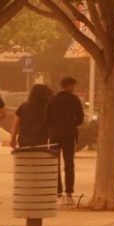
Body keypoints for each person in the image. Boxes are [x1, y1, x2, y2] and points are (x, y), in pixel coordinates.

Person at [47, 76, 84, 205]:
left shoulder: (52, 99)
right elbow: (80, 119)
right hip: (69, 135)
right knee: (69, 163)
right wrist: (71, 123)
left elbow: (47, 118)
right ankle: (69, 192)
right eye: (73, 86)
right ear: (69, 85)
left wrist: (52, 128)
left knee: (54, 164)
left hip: (54, 136)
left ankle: (58, 191)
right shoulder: (74, 100)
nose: (74, 88)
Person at [11, 83, 52, 149]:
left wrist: (12, 139)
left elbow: (15, 125)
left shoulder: (23, 106)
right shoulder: (48, 108)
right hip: (41, 142)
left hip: (24, 142)